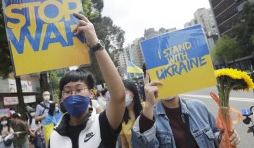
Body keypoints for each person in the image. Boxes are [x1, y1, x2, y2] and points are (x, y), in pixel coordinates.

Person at [49, 12, 125, 148]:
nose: (73, 95)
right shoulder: (54, 137)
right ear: (61, 97)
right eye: (67, 91)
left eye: (79, 89)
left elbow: (119, 96)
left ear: (91, 93)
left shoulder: (103, 124)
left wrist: (95, 44)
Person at [131, 70, 241, 148]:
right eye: (158, 78)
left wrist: (225, 138)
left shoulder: (199, 106)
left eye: (169, 76)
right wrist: (149, 105)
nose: (164, 83)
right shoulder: (148, 118)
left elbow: (216, 134)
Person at [120, 80, 143, 148]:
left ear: (133, 93)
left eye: (123, 92)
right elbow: (124, 144)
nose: (121, 96)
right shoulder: (121, 118)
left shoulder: (146, 108)